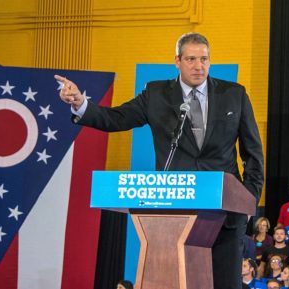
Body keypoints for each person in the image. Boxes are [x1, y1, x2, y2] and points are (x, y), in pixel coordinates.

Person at [56, 32, 264, 289]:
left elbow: (253, 153)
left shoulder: (234, 94)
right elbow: (116, 118)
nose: (199, 66)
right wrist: (81, 105)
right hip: (174, 218)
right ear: (177, 61)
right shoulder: (156, 94)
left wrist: (248, 200)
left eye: (204, 59)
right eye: (191, 59)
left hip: (225, 218)